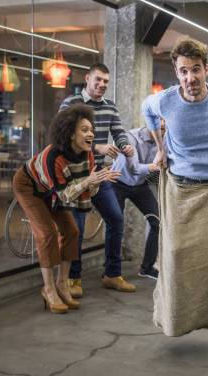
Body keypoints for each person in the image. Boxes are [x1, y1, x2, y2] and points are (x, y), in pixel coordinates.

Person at [141, 37, 208, 337]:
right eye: (183, 71)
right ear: (177, 72)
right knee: (175, 254)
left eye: (196, 69)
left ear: (207, 69)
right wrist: (160, 147)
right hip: (180, 188)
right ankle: (176, 320)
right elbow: (147, 111)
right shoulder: (166, 100)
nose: (190, 78)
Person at [12, 105, 120, 314]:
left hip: (51, 189)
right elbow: (63, 195)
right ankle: (49, 289)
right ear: (71, 133)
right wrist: (89, 180)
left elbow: (86, 190)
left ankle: (63, 283)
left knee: (71, 231)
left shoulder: (87, 155)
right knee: (47, 233)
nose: (90, 134)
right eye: (84, 130)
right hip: (28, 186)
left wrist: (96, 180)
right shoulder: (54, 156)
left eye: (91, 130)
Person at [59, 63, 136, 297]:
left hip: (99, 176)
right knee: (77, 230)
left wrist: (124, 145)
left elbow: (119, 131)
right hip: (76, 177)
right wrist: (97, 147)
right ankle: (73, 277)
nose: (102, 84)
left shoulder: (109, 107)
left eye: (106, 81)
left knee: (116, 219)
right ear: (87, 79)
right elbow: (63, 138)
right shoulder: (70, 104)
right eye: (98, 80)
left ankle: (112, 274)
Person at [110, 124, 162, 280]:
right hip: (117, 183)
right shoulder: (131, 138)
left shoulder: (163, 138)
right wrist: (156, 167)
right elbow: (134, 169)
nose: (164, 125)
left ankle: (146, 268)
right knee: (116, 225)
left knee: (157, 222)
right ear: (150, 121)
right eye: (160, 120)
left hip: (140, 185)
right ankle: (112, 273)